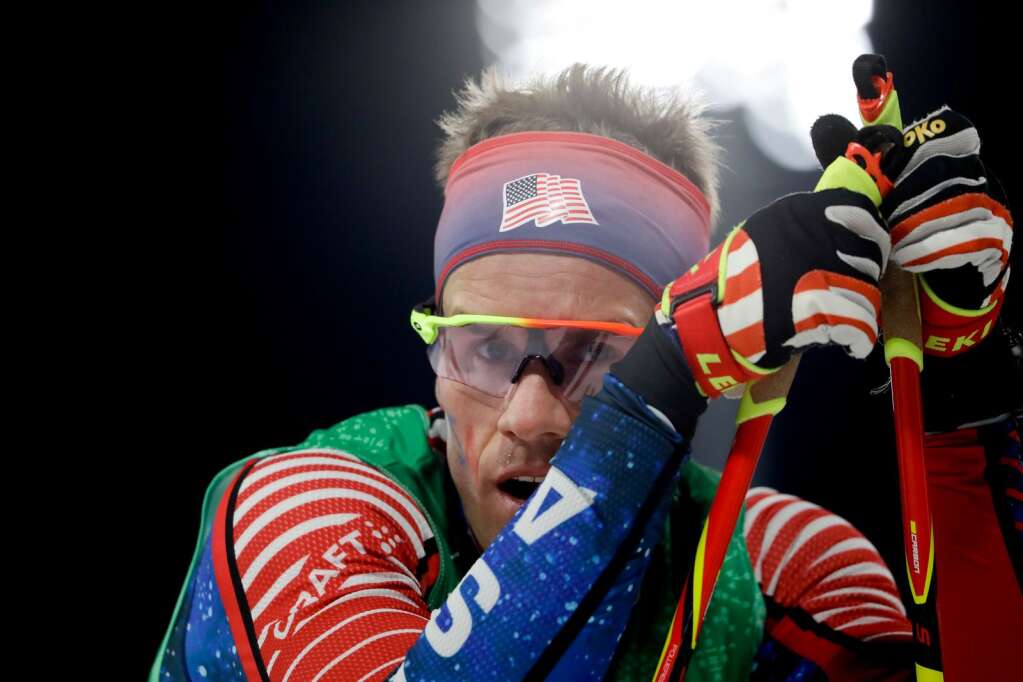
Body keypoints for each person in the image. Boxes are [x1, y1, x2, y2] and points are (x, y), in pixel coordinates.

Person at [152, 64, 1020, 681]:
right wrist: (657, 377)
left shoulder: (775, 557)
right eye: (487, 347)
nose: (531, 413)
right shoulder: (298, 507)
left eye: (599, 355)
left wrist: (957, 401)